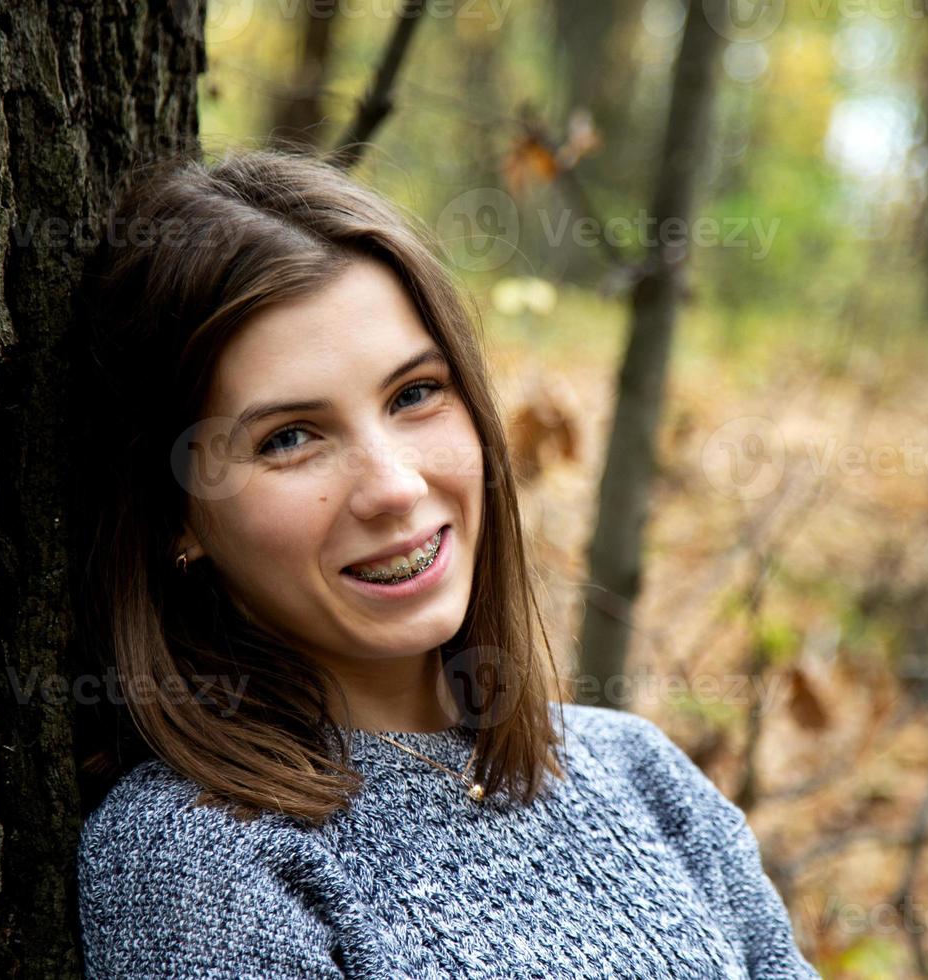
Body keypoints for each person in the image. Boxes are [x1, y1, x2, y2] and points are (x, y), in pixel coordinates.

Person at [72, 148, 822, 979]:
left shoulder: (641, 775)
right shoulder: (196, 859)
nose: (394, 487)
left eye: (414, 394)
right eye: (290, 438)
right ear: (179, 513)